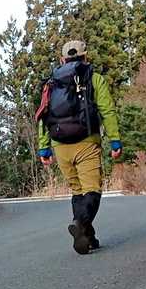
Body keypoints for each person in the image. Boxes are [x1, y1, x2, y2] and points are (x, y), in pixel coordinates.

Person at [35, 40, 122, 255]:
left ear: (62, 60)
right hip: (86, 142)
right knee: (92, 190)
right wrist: (115, 140)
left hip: (60, 145)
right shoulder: (94, 78)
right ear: (85, 57)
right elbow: (107, 110)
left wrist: (44, 147)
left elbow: (43, 115)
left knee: (77, 191)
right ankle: (81, 224)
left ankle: (88, 237)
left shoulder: (51, 83)